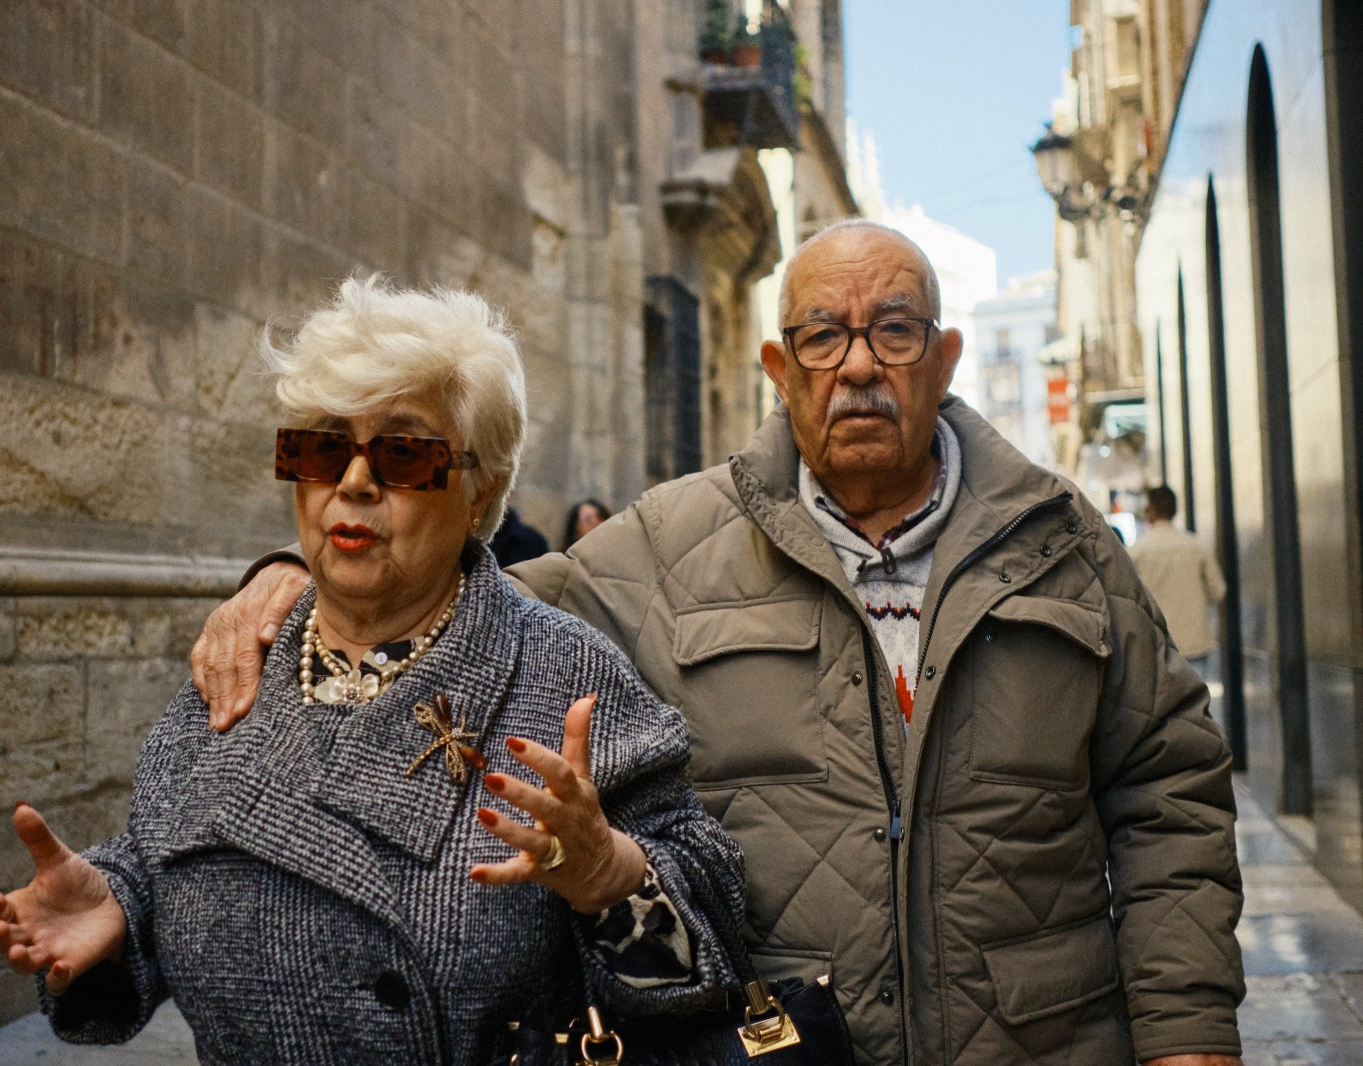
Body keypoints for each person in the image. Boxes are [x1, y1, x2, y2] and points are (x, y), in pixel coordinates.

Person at [194, 223, 1245, 1065]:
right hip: (779, 1038)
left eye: (894, 331)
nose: (859, 366)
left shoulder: (1061, 542)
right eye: (824, 337)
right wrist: (290, 576)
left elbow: (1168, 795)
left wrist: (1190, 1035)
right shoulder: (663, 545)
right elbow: (454, 598)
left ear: (944, 357)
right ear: (779, 369)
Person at [0, 277, 746, 1065]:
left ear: (478, 493)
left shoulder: (561, 670)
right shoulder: (239, 662)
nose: (352, 481)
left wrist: (608, 876)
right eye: (320, 446)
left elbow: (713, 930)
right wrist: (117, 907)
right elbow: (168, 853)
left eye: (404, 453)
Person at [1129, 485, 1226, 674]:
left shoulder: (1136, 552)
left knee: (1163, 702)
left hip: (1156, 645)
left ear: (1152, 511)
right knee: (1196, 702)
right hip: (1194, 642)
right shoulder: (1196, 546)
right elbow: (1218, 590)